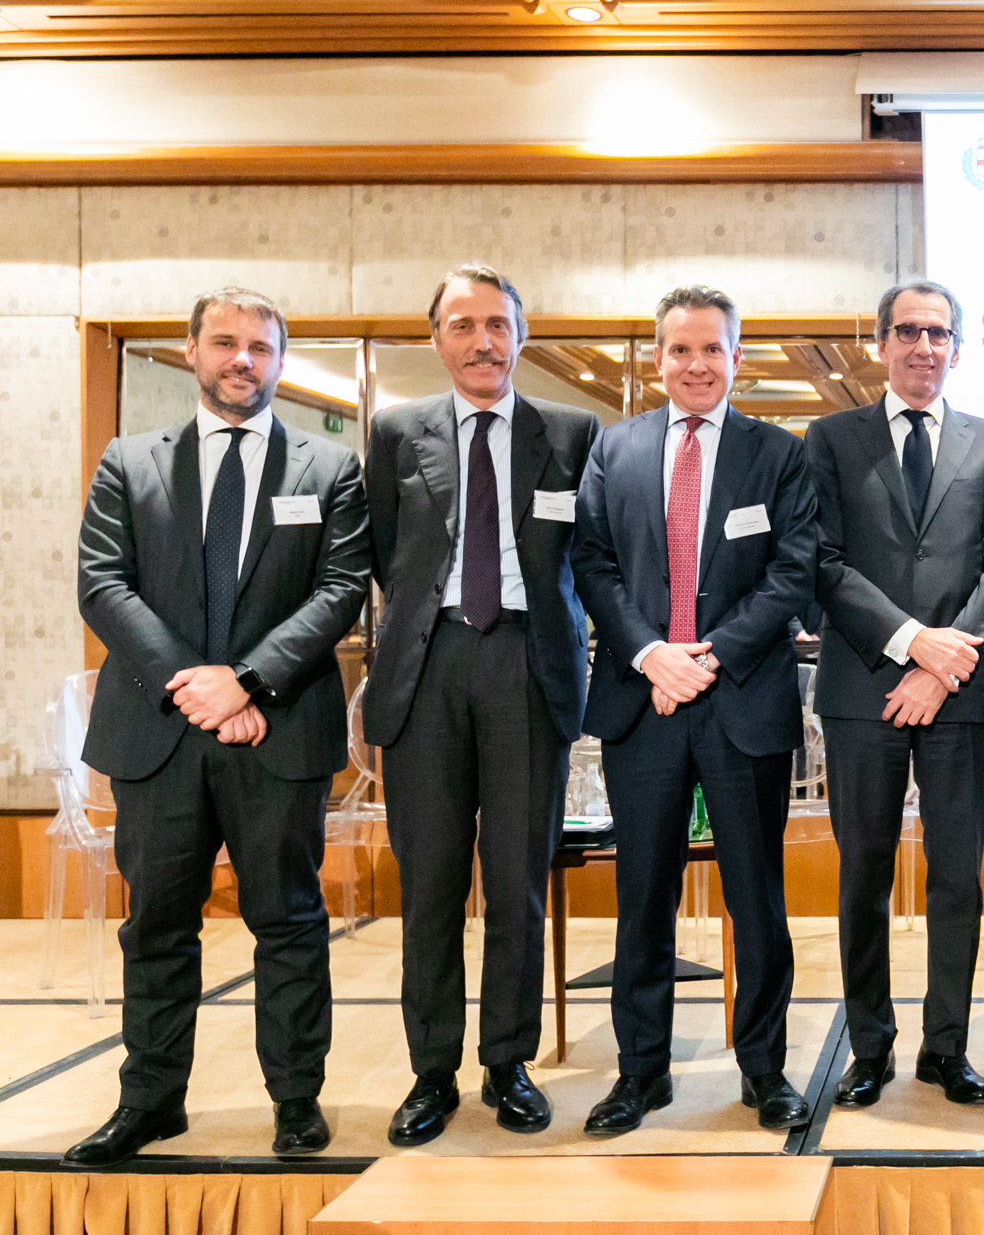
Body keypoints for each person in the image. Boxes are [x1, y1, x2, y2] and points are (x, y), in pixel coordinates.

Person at [69, 287, 369, 1165]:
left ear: (280, 360)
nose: (244, 359)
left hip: (278, 730)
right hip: (156, 734)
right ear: (191, 351)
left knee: (289, 921)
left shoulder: (330, 467)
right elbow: (103, 584)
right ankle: (151, 1101)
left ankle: (296, 1101)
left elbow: (341, 591)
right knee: (155, 927)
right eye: (226, 343)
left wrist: (246, 685)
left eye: (261, 346)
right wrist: (194, 690)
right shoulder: (130, 462)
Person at [573, 284, 819, 1135]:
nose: (697, 364)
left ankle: (765, 1069)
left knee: (757, 898)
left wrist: (707, 657)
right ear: (657, 359)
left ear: (737, 357)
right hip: (643, 701)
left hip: (741, 698)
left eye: (713, 348)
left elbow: (793, 572)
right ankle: (640, 1073)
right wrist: (652, 654)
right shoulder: (614, 448)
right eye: (681, 349)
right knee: (643, 896)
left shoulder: (778, 454)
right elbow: (593, 564)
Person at [364, 264, 601, 1145]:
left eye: (498, 324)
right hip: (427, 666)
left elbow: (589, 551)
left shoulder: (570, 432)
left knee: (516, 882)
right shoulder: (397, 431)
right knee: (429, 885)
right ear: (437, 340)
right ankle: (432, 1071)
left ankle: (508, 1062)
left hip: (528, 665)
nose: (482, 341)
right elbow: (386, 551)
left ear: (521, 336)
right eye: (462, 325)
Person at [807, 281, 984, 1108]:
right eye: (908, 331)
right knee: (863, 875)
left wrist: (941, 665)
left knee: (957, 877)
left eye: (938, 333)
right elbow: (822, 559)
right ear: (881, 343)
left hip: (960, 692)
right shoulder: (831, 439)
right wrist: (909, 642)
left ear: (956, 347)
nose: (924, 346)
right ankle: (870, 1049)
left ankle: (947, 1047)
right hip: (863, 688)